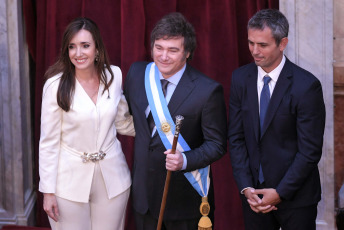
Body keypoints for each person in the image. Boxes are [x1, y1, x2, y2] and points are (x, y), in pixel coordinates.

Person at [124, 12, 227, 230]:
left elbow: (217, 145)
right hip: (143, 198)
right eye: (159, 47)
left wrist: (185, 160)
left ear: (187, 52)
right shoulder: (137, 73)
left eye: (173, 50)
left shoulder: (207, 91)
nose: (163, 56)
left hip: (184, 201)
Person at [228, 9, 326, 230]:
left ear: (282, 44)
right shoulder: (240, 78)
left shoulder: (307, 86)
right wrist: (246, 188)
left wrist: (280, 192)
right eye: (251, 43)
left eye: (262, 45)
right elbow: (235, 138)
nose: (254, 51)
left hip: (297, 198)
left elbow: (309, 151)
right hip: (254, 196)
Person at [39, 17, 135, 230]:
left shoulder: (114, 76)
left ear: (97, 48)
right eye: (72, 47)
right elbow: (48, 143)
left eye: (85, 46)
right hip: (68, 181)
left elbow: (122, 123)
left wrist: (158, 128)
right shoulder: (55, 86)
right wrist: (48, 191)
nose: (78, 53)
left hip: (113, 178)